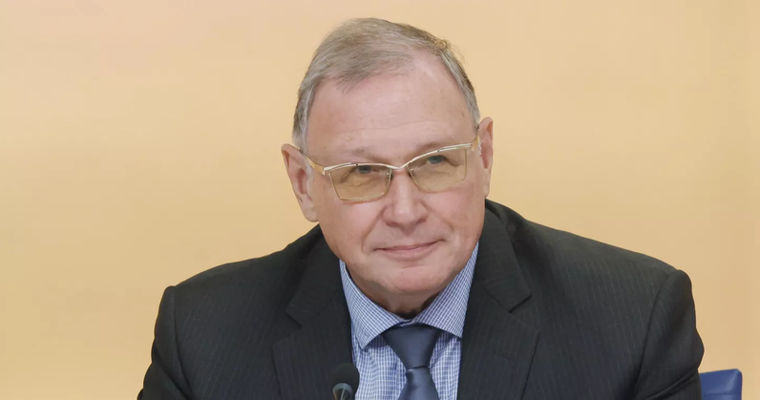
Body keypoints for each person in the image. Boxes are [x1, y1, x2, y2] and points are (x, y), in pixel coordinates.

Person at [139, 18, 703, 400]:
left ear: (483, 157)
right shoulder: (204, 336)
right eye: (363, 173)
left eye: (434, 162)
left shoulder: (633, 319)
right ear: (303, 183)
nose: (405, 212)